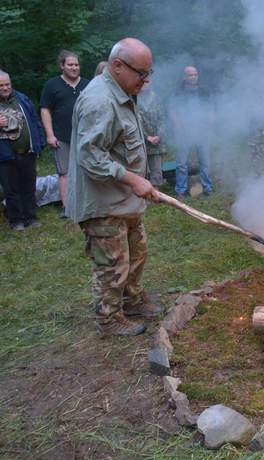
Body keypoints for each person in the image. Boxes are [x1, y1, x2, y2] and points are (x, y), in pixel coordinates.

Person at [66, 38, 162, 337]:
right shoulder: (100, 101)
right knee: (112, 263)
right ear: (117, 65)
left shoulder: (122, 92)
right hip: (104, 203)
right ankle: (109, 318)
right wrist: (134, 179)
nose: (145, 80)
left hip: (124, 199)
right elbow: (90, 157)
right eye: (141, 73)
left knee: (136, 252)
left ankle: (131, 299)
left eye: (149, 73)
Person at [39, 50, 89, 218]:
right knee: (64, 173)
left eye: (76, 65)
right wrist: (50, 135)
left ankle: (86, 203)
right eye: (70, 65)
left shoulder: (88, 85)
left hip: (85, 136)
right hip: (62, 137)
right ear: (62, 66)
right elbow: (45, 110)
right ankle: (66, 207)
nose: (74, 68)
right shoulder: (52, 85)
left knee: (88, 170)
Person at [0, 70, 45, 231]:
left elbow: (34, 120)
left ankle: (31, 217)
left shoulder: (22, 98)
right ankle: (16, 220)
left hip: (27, 151)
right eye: (1, 86)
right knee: (11, 190)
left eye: (7, 84)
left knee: (29, 186)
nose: (5, 88)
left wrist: (39, 142)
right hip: (5, 155)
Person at [169, 66, 213, 199]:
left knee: (205, 162)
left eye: (195, 74)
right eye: (190, 75)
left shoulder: (204, 91)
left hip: (201, 131)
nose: (193, 77)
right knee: (181, 163)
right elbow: (172, 111)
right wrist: (178, 126)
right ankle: (181, 190)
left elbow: (210, 108)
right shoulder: (178, 92)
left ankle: (207, 188)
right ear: (184, 77)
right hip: (184, 132)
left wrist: (210, 121)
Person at [138, 81, 167, 187]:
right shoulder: (133, 99)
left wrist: (159, 135)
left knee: (156, 171)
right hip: (139, 143)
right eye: (143, 81)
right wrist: (146, 137)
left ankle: (155, 192)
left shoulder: (156, 98)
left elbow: (163, 119)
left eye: (147, 82)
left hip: (156, 143)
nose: (144, 84)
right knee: (140, 171)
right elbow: (133, 122)